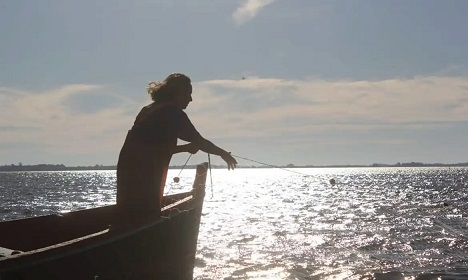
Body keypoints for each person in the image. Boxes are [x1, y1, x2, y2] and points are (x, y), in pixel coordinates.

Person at [116, 73, 237, 218]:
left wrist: (185, 148)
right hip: (144, 173)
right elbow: (199, 141)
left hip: (127, 169)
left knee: (128, 212)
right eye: (188, 94)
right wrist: (223, 153)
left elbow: (153, 148)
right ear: (177, 93)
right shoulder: (172, 112)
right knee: (145, 214)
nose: (191, 99)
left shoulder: (148, 110)